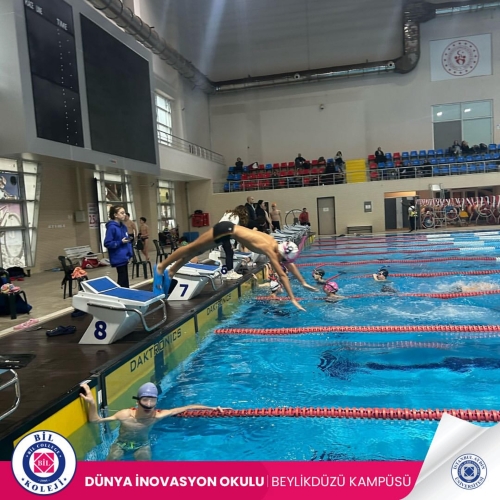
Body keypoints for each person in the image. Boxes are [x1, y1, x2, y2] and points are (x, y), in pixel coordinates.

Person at [153, 223, 317, 311]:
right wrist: (292, 299)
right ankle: (161, 267)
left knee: (196, 251)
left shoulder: (276, 245)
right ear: (281, 254)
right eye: (283, 259)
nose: (282, 261)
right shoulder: (270, 250)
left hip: (228, 231)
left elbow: (289, 264)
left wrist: (303, 282)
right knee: (191, 248)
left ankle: (172, 271)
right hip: (224, 229)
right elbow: (282, 275)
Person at [80, 382, 223, 461]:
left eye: (152, 401)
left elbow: (188, 407)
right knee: (110, 463)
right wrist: (92, 403)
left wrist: (212, 408)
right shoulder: (125, 415)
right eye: (145, 400)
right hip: (120, 444)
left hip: (142, 445)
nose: (148, 405)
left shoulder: (157, 416)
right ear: (138, 401)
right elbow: (95, 420)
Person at [104, 205, 132, 288]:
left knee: (125, 279)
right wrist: (120, 242)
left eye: (124, 213)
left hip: (125, 256)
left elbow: (127, 241)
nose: (124, 215)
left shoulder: (123, 227)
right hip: (118, 256)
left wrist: (130, 254)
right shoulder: (112, 228)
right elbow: (107, 243)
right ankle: (121, 293)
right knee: (122, 279)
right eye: (122, 213)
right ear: (115, 215)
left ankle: (126, 292)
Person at [218, 205, 249, 280]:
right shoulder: (236, 217)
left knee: (229, 252)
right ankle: (230, 272)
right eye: (245, 213)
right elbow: (231, 229)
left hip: (218, 232)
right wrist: (231, 243)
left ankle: (229, 271)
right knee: (229, 253)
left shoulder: (229, 214)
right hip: (224, 234)